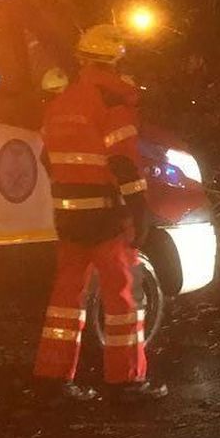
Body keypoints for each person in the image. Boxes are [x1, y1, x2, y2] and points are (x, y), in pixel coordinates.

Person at [31, 24, 167, 400]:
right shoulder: (112, 102)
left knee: (66, 298)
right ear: (116, 62)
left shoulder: (60, 103)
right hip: (106, 218)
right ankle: (127, 381)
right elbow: (122, 162)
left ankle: (53, 378)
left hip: (69, 216)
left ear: (82, 60)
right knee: (123, 298)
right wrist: (139, 209)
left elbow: (47, 158)